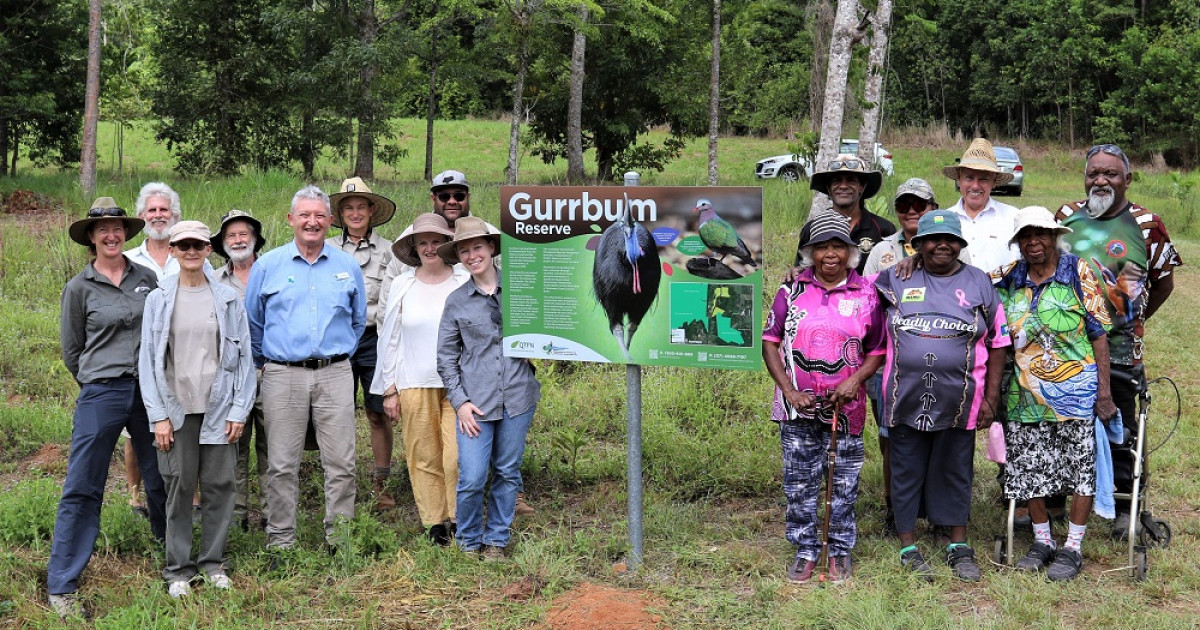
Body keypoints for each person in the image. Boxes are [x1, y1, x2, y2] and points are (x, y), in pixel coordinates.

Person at [875, 210, 1010, 582]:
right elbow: (850, 287)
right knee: (905, 467)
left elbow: (998, 342)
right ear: (918, 244)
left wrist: (991, 397)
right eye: (932, 240)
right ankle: (908, 544)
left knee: (954, 467)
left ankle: (957, 543)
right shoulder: (894, 278)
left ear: (960, 245)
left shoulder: (979, 282)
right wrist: (798, 273)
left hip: (961, 399)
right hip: (905, 397)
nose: (942, 245)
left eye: (950, 239)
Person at [1055, 143, 1183, 538]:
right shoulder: (1064, 218)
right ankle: (1057, 496)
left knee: (1122, 425)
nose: (1100, 180)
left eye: (1110, 173)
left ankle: (1126, 503)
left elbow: (1163, 283)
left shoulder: (1147, 225)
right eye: (1093, 172)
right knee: (1060, 422)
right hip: (1065, 346)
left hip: (1122, 348)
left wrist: (1132, 319)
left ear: (1127, 180)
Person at [48, 198, 166, 619]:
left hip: (149, 393)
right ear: (92, 239)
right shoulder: (79, 287)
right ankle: (62, 581)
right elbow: (72, 349)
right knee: (84, 482)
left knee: (161, 475)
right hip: (102, 391)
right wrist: (99, 382)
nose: (112, 235)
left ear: (125, 233)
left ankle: (174, 560)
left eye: (118, 228)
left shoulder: (147, 278)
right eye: (103, 230)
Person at [991, 206, 1116, 581]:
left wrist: (1104, 393)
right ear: (1018, 242)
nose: (1034, 242)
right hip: (1024, 396)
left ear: (1054, 236)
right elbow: (962, 284)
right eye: (1026, 236)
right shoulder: (1010, 278)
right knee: (1030, 470)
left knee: (1079, 469)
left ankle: (1073, 547)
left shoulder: (1079, 271)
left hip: (1076, 393)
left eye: (1041, 234)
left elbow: (1099, 334)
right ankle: (1042, 541)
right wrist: (911, 267)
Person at [763, 214, 885, 583]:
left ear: (850, 252)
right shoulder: (790, 292)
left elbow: (878, 348)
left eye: (838, 247)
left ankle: (839, 548)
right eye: (822, 247)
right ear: (810, 253)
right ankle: (804, 548)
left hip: (845, 408)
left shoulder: (867, 293)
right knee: (799, 481)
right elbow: (770, 343)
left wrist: (855, 381)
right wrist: (788, 390)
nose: (830, 254)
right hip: (797, 405)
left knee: (843, 481)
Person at [245, 186, 367, 552]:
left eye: (319, 216)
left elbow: (358, 322)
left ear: (330, 221)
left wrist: (335, 356)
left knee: (341, 462)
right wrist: (270, 363)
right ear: (290, 220)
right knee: (281, 464)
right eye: (304, 215)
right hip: (282, 374)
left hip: (335, 373)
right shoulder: (268, 266)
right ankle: (281, 543)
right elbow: (254, 324)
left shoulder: (347, 266)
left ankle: (340, 541)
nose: (312, 222)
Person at [139, 221, 255, 597]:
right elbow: (148, 362)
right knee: (179, 486)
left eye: (198, 245)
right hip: (177, 411)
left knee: (221, 486)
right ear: (172, 250)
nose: (191, 251)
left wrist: (239, 410)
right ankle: (178, 569)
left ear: (209, 250)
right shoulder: (158, 300)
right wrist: (157, 415)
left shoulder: (227, 299)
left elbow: (244, 359)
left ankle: (213, 562)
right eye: (183, 245)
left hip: (219, 407)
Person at [862, 178, 970, 536]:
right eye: (903, 205)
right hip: (891, 363)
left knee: (939, 438)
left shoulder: (951, 245)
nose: (910, 210)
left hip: (945, 368)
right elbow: (868, 298)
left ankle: (938, 513)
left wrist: (919, 256)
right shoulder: (881, 251)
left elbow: (962, 284)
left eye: (919, 205)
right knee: (892, 438)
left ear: (932, 207)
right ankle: (897, 509)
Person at [436, 217, 541, 558]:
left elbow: (548, 331)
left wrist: (537, 355)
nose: (471, 255)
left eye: (477, 247)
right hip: (476, 403)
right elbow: (446, 358)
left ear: (491, 248)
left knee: (507, 471)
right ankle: (468, 540)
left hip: (517, 396)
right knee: (473, 476)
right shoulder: (456, 301)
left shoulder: (522, 288)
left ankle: (496, 539)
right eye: (464, 250)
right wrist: (460, 403)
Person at [372, 213, 469, 545]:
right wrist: (389, 389)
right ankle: (435, 521)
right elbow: (390, 338)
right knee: (423, 454)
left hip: (460, 383)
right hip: (413, 380)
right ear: (413, 246)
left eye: (438, 241)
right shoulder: (403, 284)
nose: (431, 248)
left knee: (456, 455)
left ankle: (459, 516)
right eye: (423, 241)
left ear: (448, 244)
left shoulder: (463, 279)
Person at [124, 182, 208, 517]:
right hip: (139, 356)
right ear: (142, 215)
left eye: (165, 210)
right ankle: (135, 496)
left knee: (191, 424)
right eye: (152, 210)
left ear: (175, 215)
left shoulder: (190, 252)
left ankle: (192, 495)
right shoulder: (130, 260)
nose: (158, 215)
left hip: (187, 357)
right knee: (136, 428)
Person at [326, 177, 398, 509]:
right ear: (340, 214)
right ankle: (341, 485)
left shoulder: (390, 250)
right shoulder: (326, 249)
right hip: (336, 341)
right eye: (348, 207)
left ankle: (381, 484)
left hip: (374, 339)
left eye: (361, 207)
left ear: (371, 210)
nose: (355, 213)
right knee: (336, 416)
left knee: (377, 412)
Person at [211, 210, 269, 529]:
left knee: (272, 445)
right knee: (233, 443)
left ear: (255, 237)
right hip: (231, 376)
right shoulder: (215, 280)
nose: (237, 240)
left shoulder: (273, 271)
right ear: (222, 243)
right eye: (230, 236)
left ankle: (272, 514)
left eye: (243, 234)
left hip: (270, 369)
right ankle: (236, 514)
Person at [795, 154, 896, 273]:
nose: (843, 186)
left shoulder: (883, 229)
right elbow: (802, 270)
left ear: (862, 187)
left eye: (851, 180)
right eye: (836, 180)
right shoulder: (812, 229)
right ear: (828, 188)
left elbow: (892, 274)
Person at [941, 138, 1021, 274]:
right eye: (969, 178)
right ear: (959, 180)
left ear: (994, 182)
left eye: (983, 179)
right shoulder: (944, 220)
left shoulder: (1013, 217)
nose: (975, 186)